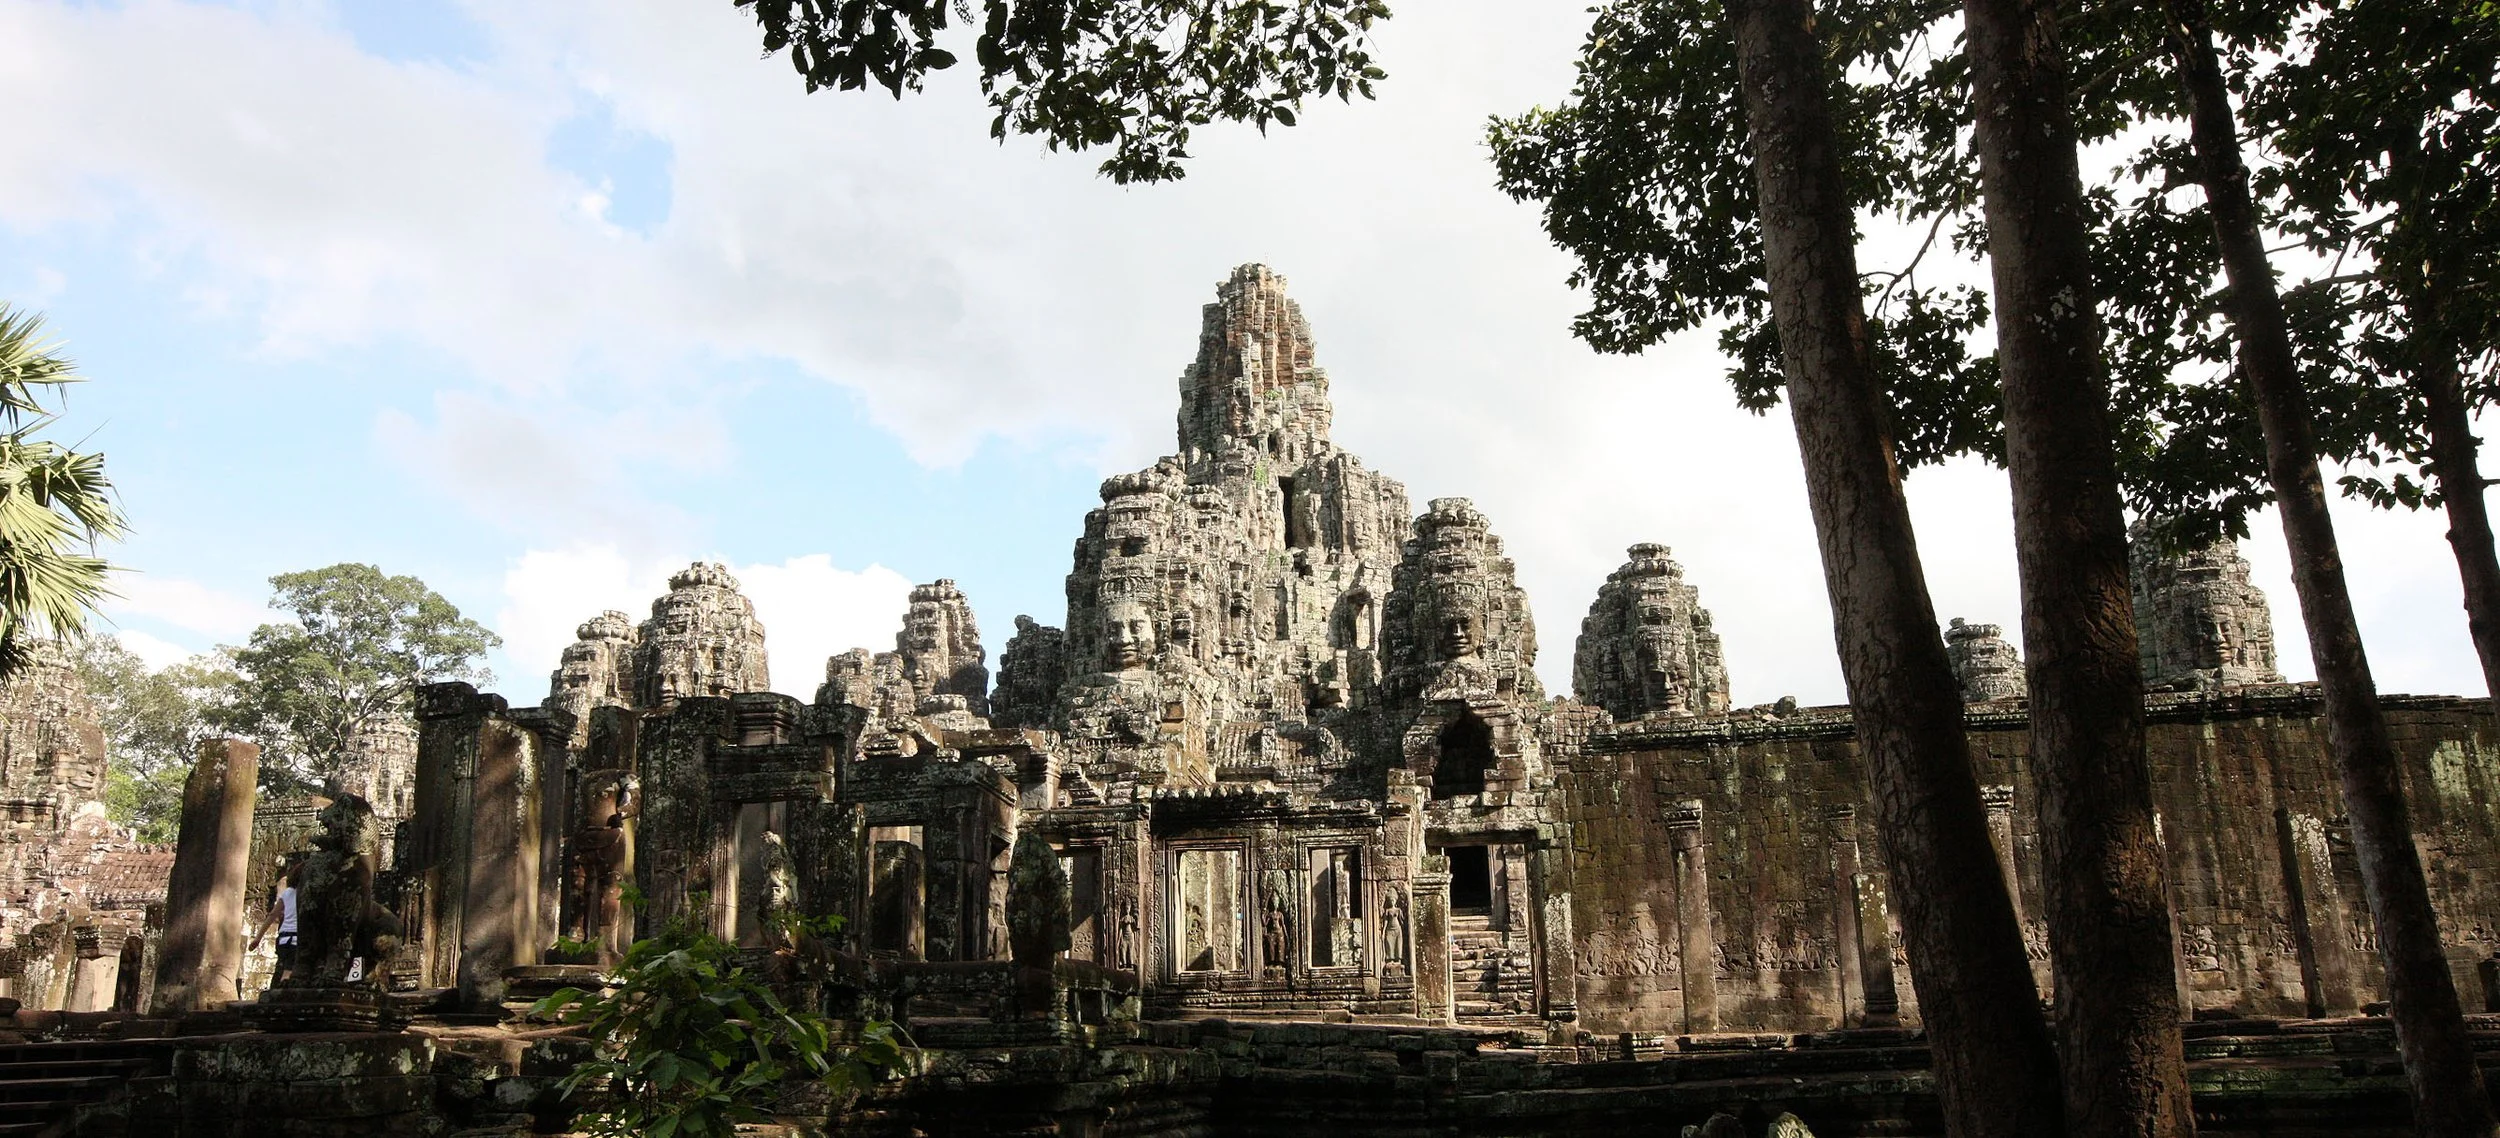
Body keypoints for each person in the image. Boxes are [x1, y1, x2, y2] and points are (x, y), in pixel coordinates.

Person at [249, 859, 303, 987]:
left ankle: (278, 991)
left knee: (283, 967)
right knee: (288, 972)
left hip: (283, 939)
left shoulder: (287, 893)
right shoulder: (305, 893)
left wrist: (258, 938)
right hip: (296, 938)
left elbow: (273, 915)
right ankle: (282, 995)